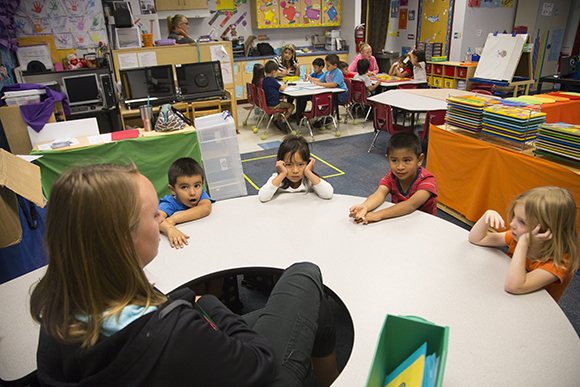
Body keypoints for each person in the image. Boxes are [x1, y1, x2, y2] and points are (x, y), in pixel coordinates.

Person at [29, 163, 339, 387]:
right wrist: (208, 302)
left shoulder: (60, 306)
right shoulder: (173, 330)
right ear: (123, 240)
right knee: (304, 274)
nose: (161, 220)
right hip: (257, 372)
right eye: (154, 216)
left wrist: (186, 299)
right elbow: (260, 362)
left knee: (316, 310)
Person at [468, 187, 579, 302]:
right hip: (507, 298)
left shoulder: (557, 263)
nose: (512, 224)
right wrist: (487, 215)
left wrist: (523, 244)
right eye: (514, 216)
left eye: (522, 222)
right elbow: (477, 239)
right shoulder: (519, 237)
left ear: (546, 231)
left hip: (532, 309)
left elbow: (514, 286)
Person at [349, 132, 437, 224]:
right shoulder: (392, 177)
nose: (400, 167)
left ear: (419, 160)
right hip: (400, 219)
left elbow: (410, 205)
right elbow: (379, 194)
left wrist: (379, 214)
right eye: (394, 160)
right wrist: (365, 206)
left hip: (423, 224)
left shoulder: (427, 181)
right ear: (388, 160)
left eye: (407, 160)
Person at [158, 157, 215, 249]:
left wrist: (173, 220)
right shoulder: (169, 202)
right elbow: (156, 219)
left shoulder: (201, 194)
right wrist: (170, 228)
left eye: (197, 186)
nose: (193, 193)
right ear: (173, 190)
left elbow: (205, 208)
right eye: (184, 187)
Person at [259, 134, 334, 202]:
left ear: (307, 163)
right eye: (289, 164)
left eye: (300, 164)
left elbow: (328, 194)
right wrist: (282, 173)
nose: (295, 171)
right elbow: (263, 197)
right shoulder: (278, 178)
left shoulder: (308, 179)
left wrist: (308, 172)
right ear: (281, 163)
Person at [262, 60, 294, 132]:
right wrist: (285, 84)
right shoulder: (272, 80)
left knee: (283, 104)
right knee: (291, 106)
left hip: (267, 103)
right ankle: (283, 122)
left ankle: (278, 120)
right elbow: (282, 88)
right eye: (276, 72)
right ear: (273, 72)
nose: (276, 73)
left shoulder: (264, 80)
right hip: (274, 105)